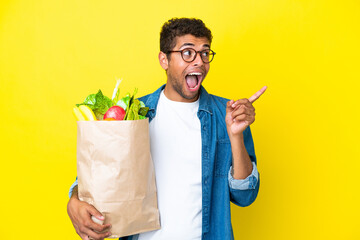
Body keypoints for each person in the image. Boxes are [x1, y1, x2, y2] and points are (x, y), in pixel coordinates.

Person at [67, 17, 266, 240]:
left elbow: (245, 195)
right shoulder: (135, 114)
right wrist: (74, 200)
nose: (199, 61)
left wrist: (236, 136)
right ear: (164, 59)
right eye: (188, 52)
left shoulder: (227, 115)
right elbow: (98, 176)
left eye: (204, 53)